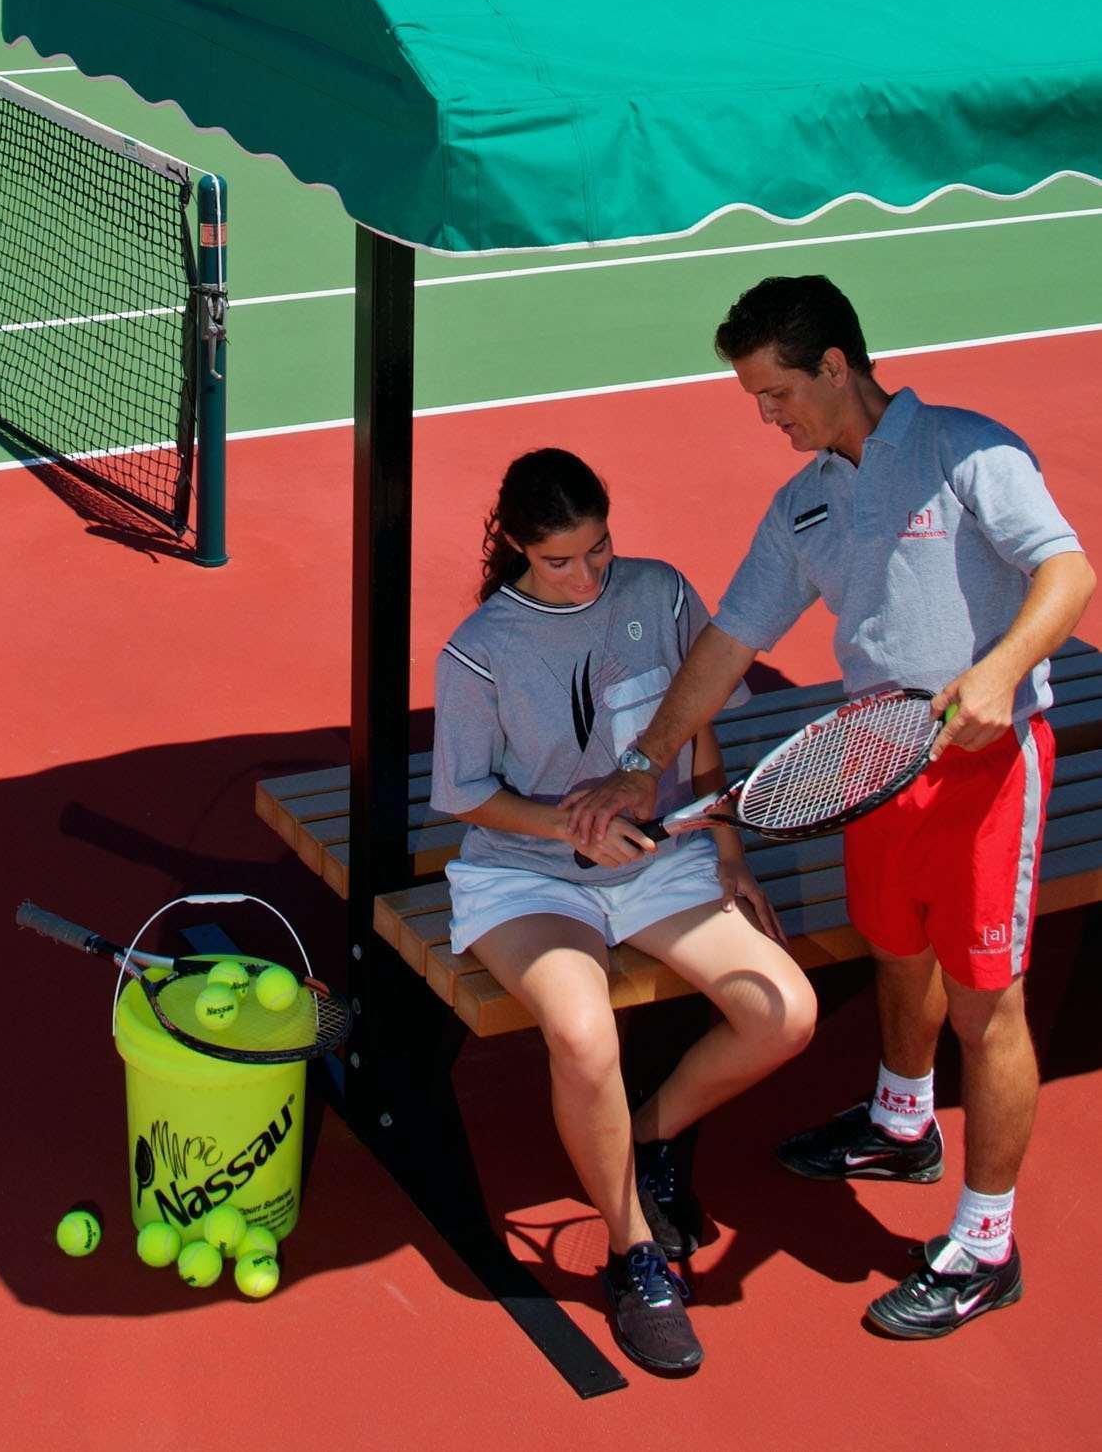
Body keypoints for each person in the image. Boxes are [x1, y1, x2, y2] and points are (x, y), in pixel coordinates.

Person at [567, 275, 1095, 1343]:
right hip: (875, 762)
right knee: (895, 955)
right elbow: (726, 641)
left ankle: (986, 1245)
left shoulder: (964, 448)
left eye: (775, 393)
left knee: (987, 1002)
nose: (768, 418)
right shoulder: (801, 502)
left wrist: (995, 673)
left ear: (833, 366)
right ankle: (902, 1126)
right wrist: (640, 761)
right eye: (755, 400)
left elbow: (1065, 571)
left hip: (985, 769)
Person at [432, 446, 817, 1378]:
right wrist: (573, 829)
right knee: (583, 1033)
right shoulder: (480, 650)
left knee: (786, 1015)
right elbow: (464, 794)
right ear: (520, 546)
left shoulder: (662, 592)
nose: (587, 576)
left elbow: (697, 726)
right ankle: (632, 1249)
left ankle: (641, 1135)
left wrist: (728, 849)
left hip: (661, 865)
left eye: (599, 550)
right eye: (561, 560)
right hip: (529, 879)